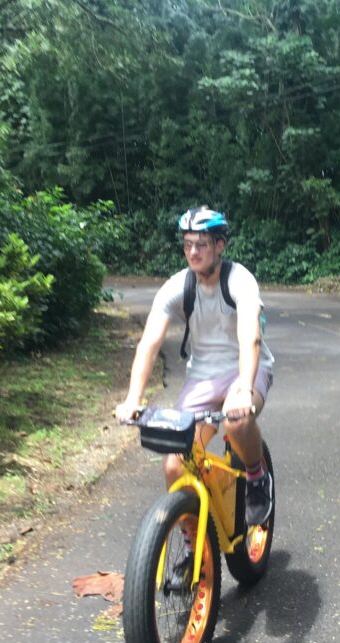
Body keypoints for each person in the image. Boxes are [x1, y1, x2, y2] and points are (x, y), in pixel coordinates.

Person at [115, 206, 275, 534]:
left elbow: (251, 338)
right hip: (202, 376)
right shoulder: (177, 287)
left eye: (201, 243)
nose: (193, 251)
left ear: (220, 245)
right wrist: (133, 398)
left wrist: (245, 388)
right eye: (187, 244)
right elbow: (149, 344)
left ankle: (257, 477)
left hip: (244, 370)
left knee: (236, 418)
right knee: (175, 464)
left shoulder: (240, 280)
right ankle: (193, 542)